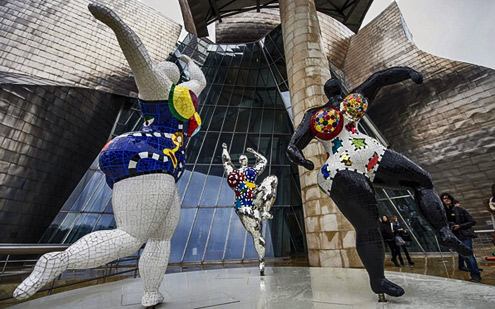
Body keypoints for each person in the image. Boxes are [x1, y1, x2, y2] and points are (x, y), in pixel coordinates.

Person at [14, 3, 206, 307]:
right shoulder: (176, 91)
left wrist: (118, 24)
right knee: (132, 235)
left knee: (160, 236)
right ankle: (56, 262)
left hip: (161, 164)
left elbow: (143, 59)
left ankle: (151, 292)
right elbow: (172, 69)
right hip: (146, 159)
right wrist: (117, 24)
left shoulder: (174, 91)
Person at [286, 66, 471, 297]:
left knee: (419, 182)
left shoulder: (324, 111)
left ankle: (442, 232)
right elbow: (380, 78)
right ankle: (382, 277)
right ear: (333, 90)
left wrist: (302, 160)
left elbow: (293, 146)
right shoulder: (339, 105)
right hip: (352, 160)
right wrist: (409, 73)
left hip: (361, 155)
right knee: (376, 218)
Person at [222, 143, 277, 275]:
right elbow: (226, 162)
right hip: (243, 204)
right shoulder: (234, 174)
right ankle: (261, 261)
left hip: (255, 197)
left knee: (272, 179)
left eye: (245, 158)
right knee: (257, 234)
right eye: (241, 159)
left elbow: (263, 161)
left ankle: (266, 210)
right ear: (239, 162)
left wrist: (254, 153)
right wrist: (224, 149)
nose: (243, 160)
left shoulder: (252, 172)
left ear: (247, 160)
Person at [441, 193, 482, 282]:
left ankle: (476, 275)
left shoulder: (460, 210)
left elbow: (472, 221)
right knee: (464, 256)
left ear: (451, 199)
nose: (446, 200)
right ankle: (473, 274)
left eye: (448, 198)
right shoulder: (443, 213)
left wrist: (460, 226)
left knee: (469, 256)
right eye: (444, 199)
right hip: (454, 237)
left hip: (464, 235)